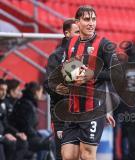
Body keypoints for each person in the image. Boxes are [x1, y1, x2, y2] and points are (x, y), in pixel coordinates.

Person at [48, 5, 119, 160]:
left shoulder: (104, 44)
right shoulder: (71, 43)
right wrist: (67, 78)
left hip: (92, 109)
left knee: (87, 155)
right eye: (86, 19)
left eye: (93, 19)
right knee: (67, 155)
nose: (91, 23)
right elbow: (66, 69)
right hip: (73, 110)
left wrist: (92, 74)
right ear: (77, 22)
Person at [44, 18, 80, 160]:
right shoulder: (57, 56)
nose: (80, 35)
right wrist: (67, 90)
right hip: (62, 113)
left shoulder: (83, 55)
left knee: (80, 153)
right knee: (63, 153)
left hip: (81, 113)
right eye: (77, 32)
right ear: (67, 33)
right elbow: (48, 84)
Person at [9, 82, 54, 156]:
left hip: (28, 135)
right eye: (41, 92)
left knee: (47, 135)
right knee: (51, 143)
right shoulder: (27, 105)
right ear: (36, 92)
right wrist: (37, 137)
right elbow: (26, 127)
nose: (41, 94)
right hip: (26, 137)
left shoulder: (28, 103)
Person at [0, 79, 28, 160]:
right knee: (8, 144)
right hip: (1, 138)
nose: (4, 93)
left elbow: (5, 124)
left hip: (3, 135)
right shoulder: (5, 104)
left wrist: (16, 133)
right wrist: (3, 137)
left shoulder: (2, 104)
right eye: (1, 90)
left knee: (23, 142)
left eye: (5, 90)